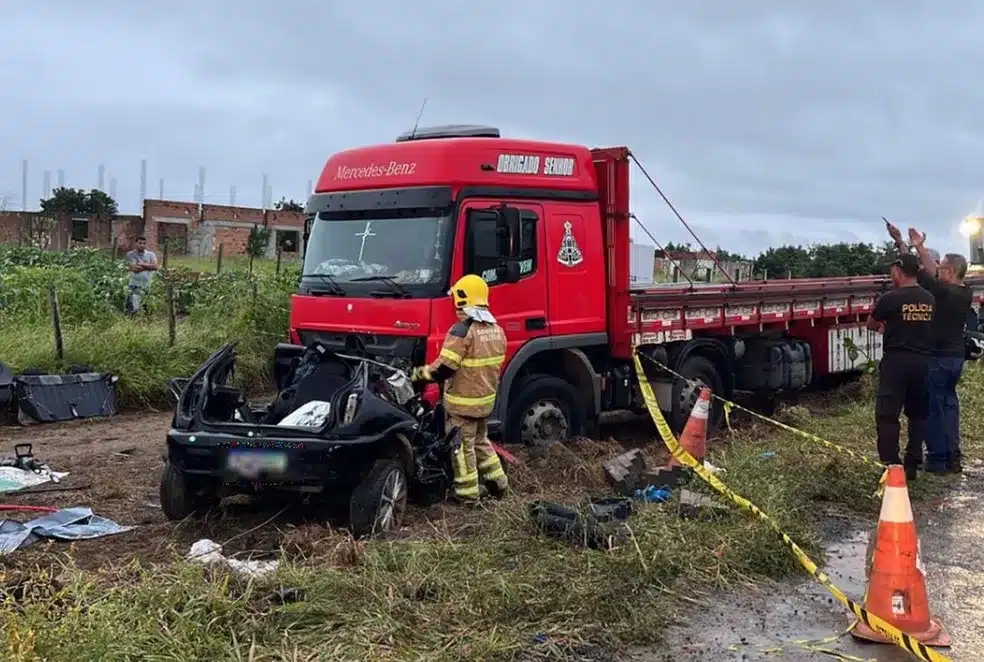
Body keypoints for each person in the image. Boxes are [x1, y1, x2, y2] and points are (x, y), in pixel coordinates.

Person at [411, 274, 509, 502]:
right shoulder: (497, 330)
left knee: (462, 449)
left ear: (462, 299)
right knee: (481, 442)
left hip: (462, 405)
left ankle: (467, 495)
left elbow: (444, 368)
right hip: (484, 402)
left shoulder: (461, 331)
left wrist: (418, 375)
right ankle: (499, 484)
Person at [905, 228, 972, 474]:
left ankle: (937, 459)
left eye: (942, 267)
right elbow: (932, 272)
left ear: (950, 272)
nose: (938, 269)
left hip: (939, 358)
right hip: (955, 358)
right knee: (950, 405)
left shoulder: (943, 292)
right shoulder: (965, 291)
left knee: (933, 407)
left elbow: (925, 274)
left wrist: (915, 246)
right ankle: (953, 456)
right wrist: (917, 245)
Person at [865, 253, 934, 481]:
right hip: (923, 362)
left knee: (887, 414)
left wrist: (886, 325)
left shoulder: (890, 299)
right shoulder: (929, 298)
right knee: (917, 414)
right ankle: (913, 462)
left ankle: (891, 465)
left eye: (892, 270)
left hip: (896, 361)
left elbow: (871, 323)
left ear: (898, 270)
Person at [124, 235, 159, 315]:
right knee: (132, 308)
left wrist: (141, 264)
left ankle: (145, 324)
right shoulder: (130, 254)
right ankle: (131, 324)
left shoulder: (151, 254)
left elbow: (156, 266)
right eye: (140, 243)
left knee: (146, 308)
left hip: (147, 285)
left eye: (144, 243)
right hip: (134, 284)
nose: (142, 245)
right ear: (135, 243)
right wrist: (149, 266)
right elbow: (135, 269)